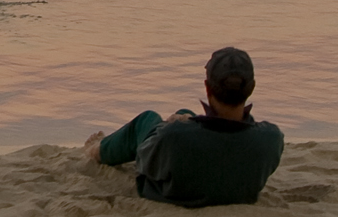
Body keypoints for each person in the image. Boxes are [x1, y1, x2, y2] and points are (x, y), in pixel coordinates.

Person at [84, 47, 285, 207]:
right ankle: (183, 119)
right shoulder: (271, 138)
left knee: (148, 119)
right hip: (236, 191)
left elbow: (144, 160)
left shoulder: (174, 137)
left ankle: (97, 149)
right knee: (184, 115)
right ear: (251, 87)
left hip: (175, 195)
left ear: (207, 87)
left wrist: (167, 129)